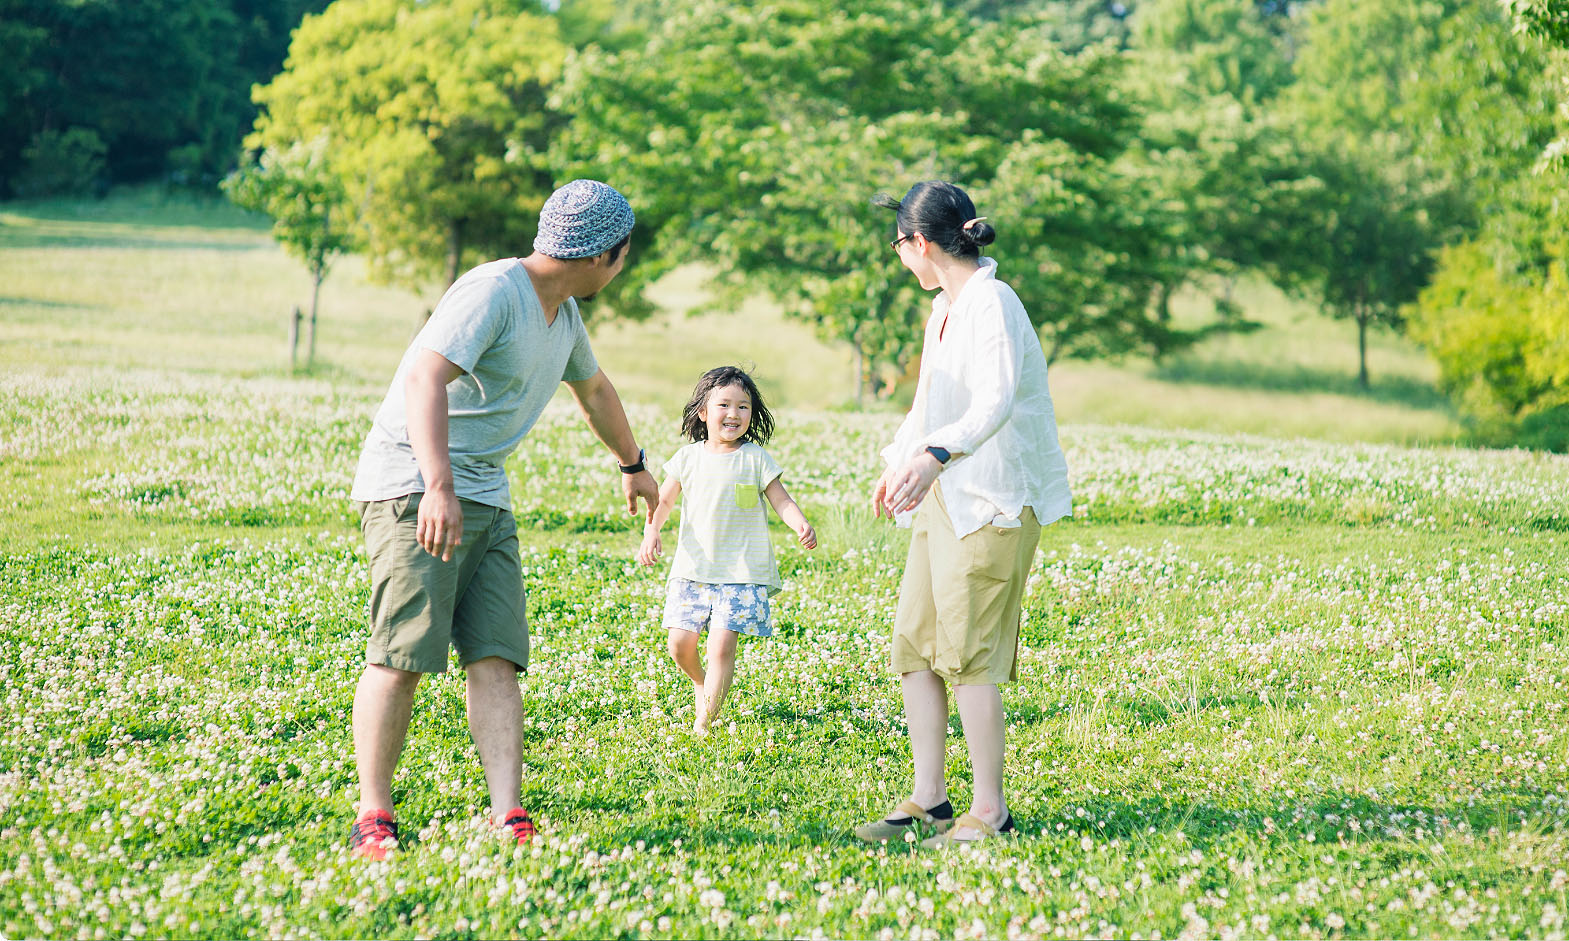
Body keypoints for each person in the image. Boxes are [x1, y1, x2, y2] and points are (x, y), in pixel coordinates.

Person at [346, 179, 659, 860]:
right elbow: (425, 377)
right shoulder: (493, 291)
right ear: (607, 253)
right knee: (404, 653)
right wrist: (437, 485)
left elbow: (595, 390)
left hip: (484, 491)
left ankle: (506, 810)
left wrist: (633, 462)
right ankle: (373, 813)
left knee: (496, 654)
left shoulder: (563, 315)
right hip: (415, 485)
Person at [854, 181, 1072, 849]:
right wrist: (901, 459)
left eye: (899, 245)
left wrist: (937, 455)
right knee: (915, 646)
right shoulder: (943, 310)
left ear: (920, 243)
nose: (899, 257)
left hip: (994, 498)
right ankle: (930, 799)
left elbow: (994, 400)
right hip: (945, 492)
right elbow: (929, 405)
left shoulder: (992, 304)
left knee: (971, 655)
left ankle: (991, 810)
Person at [636, 366, 817, 736]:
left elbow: (781, 500)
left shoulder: (755, 458)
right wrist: (651, 531)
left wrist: (799, 522)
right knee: (679, 644)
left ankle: (706, 719)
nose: (734, 414)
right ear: (703, 412)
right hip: (693, 568)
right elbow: (665, 501)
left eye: (743, 407)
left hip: (740, 572)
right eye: (724, 405)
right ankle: (701, 683)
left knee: (721, 647)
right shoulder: (688, 457)